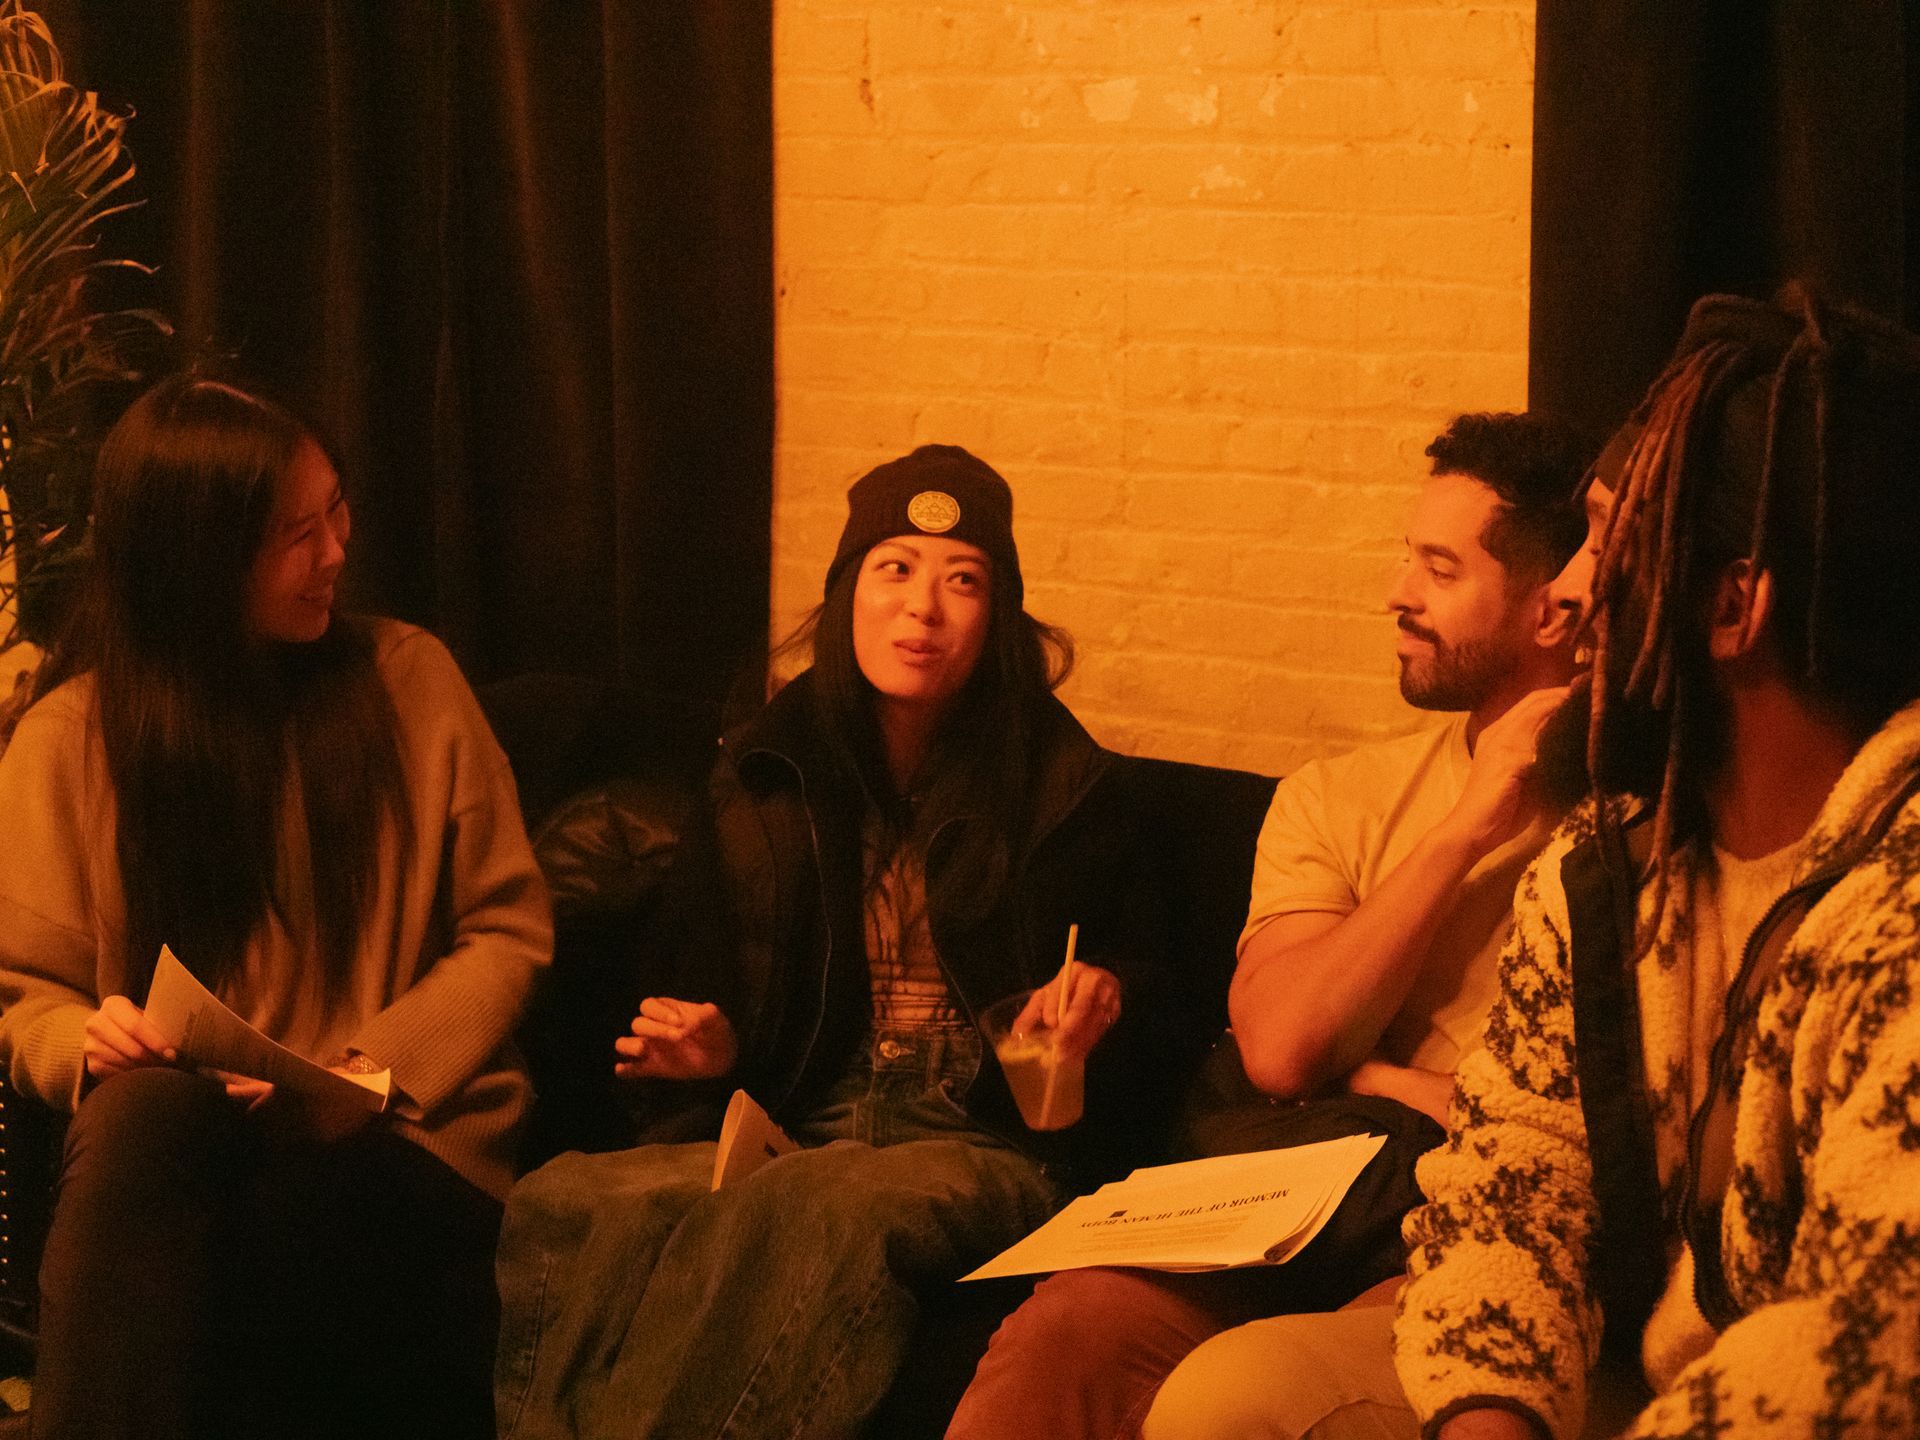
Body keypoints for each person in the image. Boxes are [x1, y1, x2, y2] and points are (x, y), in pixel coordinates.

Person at [1156, 286, 1920, 1439]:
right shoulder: (1607, 867)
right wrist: (1490, 1417)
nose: (1567, 594)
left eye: (1610, 542)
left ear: (1733, 605)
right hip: (1606, 1359)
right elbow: (1517, 1180)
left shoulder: (1897, 909)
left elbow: (1870, 1349)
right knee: (1226, 1402)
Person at [494, 445, 1194, 1440]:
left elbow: (1148, 1027)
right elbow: (697, 1010)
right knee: (566, 1199)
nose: (923, 608)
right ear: (845, 593)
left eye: (963, 582)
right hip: (798, 1126)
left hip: (976, 1140)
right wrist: (712, 1053)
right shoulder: (765, 772)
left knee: (819, 1203)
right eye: (894, 570)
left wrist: (1097, 1016)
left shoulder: (1064, 788)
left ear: (998, 617)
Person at [948, 412, 1592, 1440]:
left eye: (1438, 568)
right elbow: (1286, 1046)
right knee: (1063, 1330)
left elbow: (1589, 1121)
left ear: (1550, 613)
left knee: (1264, 1389)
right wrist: (1466, 829)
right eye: (1406, 560)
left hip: (1465, 1229)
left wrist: (1382, 1076)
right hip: (1288, 1201)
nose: (1397, 593)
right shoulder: (1337, 797)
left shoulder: (1636, 818)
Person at [0, 376, 553, 1440]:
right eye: (294, 534)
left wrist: (367, 1072)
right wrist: (85, 1038)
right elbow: (29, 990)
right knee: (144, 1114)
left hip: (400, 1133)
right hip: (184, 1135)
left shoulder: (409, 680)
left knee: (234, 1246)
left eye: (335, 511)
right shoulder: (67, 739)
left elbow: (507, 929)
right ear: (194, 557)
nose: (336, 552)